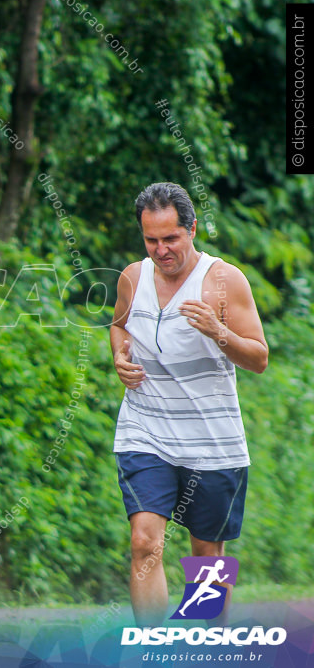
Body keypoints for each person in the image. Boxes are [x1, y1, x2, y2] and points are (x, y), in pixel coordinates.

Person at [110, 182, 268, 626]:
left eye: (171, 238)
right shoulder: (132, 277)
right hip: (146, 430)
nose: (161, 250)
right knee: (144, 541)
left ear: (192, 229)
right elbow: (119, 326)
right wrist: (119, 356)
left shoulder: (223, 280)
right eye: (151, 240)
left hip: (212, 442)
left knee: (206, 553)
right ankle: (153, 646)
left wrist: (219, 332)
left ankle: (202, 643)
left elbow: (258, 357)